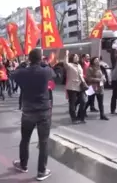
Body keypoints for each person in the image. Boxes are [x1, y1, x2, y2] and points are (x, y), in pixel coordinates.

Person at [12, 48, 54, 181]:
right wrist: (43, 63)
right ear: (41, 58)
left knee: (25, 140)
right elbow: (53, 72)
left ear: (29, 59)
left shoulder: (22, 72)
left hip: (28, 111)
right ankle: (41, 171)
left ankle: (23, 165)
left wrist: (23, 64)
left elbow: (13, 74)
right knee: (43, 142)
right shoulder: (45, 71)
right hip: (43, 111)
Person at [64, 51, 87, 124]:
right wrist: (66, 54)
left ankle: (81, 117)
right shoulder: (69, 65)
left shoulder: (79, 65)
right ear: (72, 58)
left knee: (83, 101)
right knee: (72, 103)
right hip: (72, 87)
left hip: (80, 86)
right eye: (75, 56)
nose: (77, 58)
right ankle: (73, 118)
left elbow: (81, 75)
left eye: (77, 56)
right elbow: (65, 63)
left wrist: (84, 83)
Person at [110, 49, 117, 115]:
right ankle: (113, 110)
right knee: (115, 95)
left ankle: (113, 110)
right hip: (116, 79)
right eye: (116, 53)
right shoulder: (115, 60)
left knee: (115, 95)